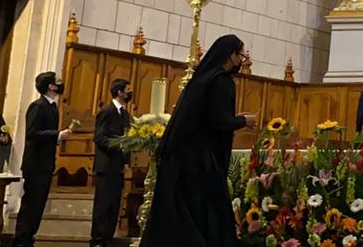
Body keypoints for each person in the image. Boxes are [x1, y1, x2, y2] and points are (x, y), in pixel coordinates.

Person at [139, 34, 257, 247]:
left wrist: (234, 118)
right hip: (200, 160)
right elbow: (218, 121)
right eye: (240, 55)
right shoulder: (221, 80)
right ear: (230, 56)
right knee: (205, 212)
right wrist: (243, 121)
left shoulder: (203, 78)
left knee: (183, 212)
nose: (242, 61)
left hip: (183, 158)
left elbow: (206, 117)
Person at [13, 72, 72, 247]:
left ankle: (29, 237)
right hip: (35, 164)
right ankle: (21, 240)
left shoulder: (52, 106)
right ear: (51, 86)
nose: (61, 83)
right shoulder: (38, 106)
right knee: (31, 204)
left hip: (45, 163)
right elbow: (32, 133)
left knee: (38, 205)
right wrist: (57, 134)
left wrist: (58, 137)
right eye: (58, 81)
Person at [90, 79, 132, 247]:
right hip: (106, 166)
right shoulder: (107, 112)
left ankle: (108, 238)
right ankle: (97, 240)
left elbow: (127, 139)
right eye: (128, 89)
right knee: (103, 205)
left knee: (114, 206)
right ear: (119, 92)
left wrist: (127, 162)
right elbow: (99, 137)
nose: (130, 92)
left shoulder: (125, 114)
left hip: (118, 167)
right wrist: (117, 145)